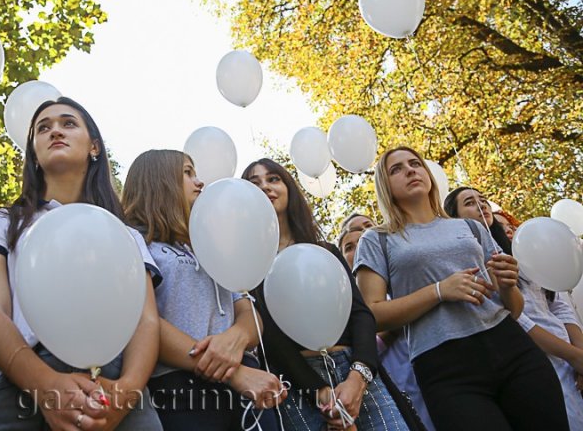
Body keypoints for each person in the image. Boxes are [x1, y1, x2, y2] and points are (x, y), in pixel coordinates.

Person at [0, 97, 162, 430]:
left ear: (94, 147)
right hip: (19, 383)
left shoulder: (125, 235)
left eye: (68, 123)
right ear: (34, 154)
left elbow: (146, 320)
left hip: (116, 385)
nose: (55, 130)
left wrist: (127, 392)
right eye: (43, 128)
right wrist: (44, 385)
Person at [354, 146, 568, 431]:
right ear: (385, 185)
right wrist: (439, 290)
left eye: (415, 163)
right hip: (445, 367)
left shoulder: (470, 226)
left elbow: (514, 309)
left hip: (510, 345)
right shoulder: (377, 239)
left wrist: (506, 285)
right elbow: (373, 314)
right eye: (397, 169)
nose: (410, 170)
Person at [242, 159, 412, 431]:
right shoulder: (248, 267)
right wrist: (319, 392)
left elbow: (361, 314)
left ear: (288, 187)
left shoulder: (327, 252)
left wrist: (359, 376)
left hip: (357, 371)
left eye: (273, 179)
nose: (265, 187)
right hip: (296, 384)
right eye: (254, 183)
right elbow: (269, 337)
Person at [122, 150, 285, 430]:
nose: (199, 182)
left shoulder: (210, 245)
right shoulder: (134, 241)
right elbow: (140, 321)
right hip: (181, 388)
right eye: (188, 173)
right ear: (159, 180)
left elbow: (248, 310)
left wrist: (235, 338)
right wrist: (233, 373)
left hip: (248, 383)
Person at [444, 186, 583, 429]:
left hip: (571, 354)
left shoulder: (515, 248)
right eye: (469, 202)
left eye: (483, 200)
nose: (481, 205)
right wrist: (572, 356)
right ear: (453, 218)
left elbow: (558, 303)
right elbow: (513, 318)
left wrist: (579, 353)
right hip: (531, 360)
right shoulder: (467, 264)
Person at [338, 215, 435, 431]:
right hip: (394, 388)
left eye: (367, 231)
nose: (361, 245)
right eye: (349, 247)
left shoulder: (411, 276)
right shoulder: (342, 305)